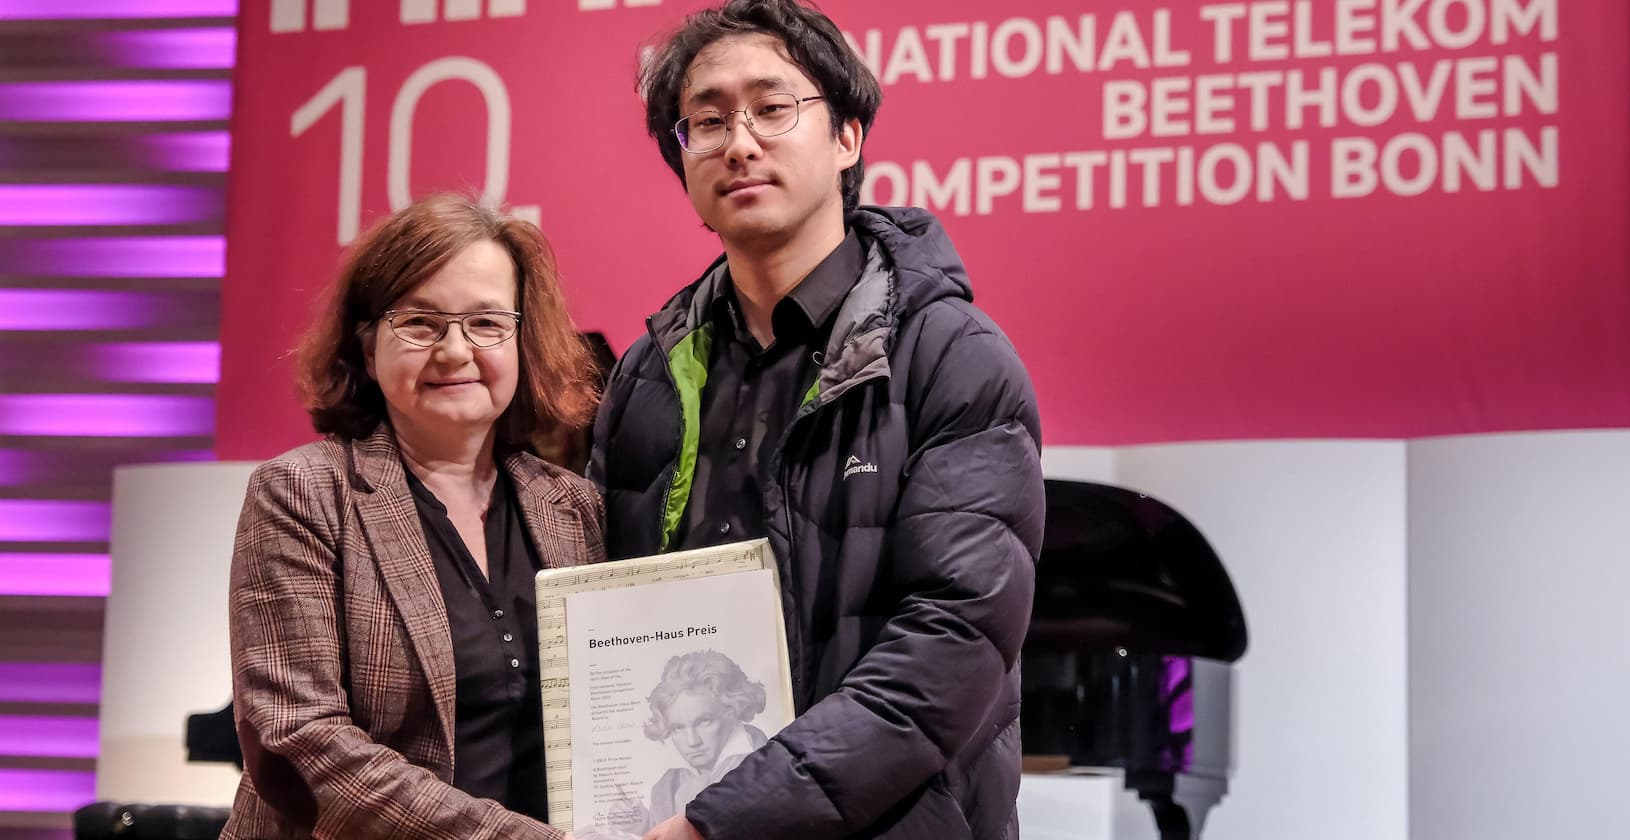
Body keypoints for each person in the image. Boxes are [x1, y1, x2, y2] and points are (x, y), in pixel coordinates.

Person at [588, 1, 1046, 837]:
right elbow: (605, 616)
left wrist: (727, 819)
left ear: (847, 138)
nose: (740, 142)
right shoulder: (649, 374)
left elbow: (950, 649)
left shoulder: (952, 356)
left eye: (772, 107)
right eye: (707, 120)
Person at [223, 193, 605, 839]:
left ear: (522, 341)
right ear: (368, 347)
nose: (456, 351)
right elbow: (298, 741)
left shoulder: (575, 509)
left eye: (487, 323)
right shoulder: (302, 494)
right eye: (421, 323)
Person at [641, 651, 771, 824]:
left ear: (731, 712)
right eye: (678, 728)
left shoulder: (766, 765)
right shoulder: (666, 786)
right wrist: (638, 825)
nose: (693, 742)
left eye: (704, 722)